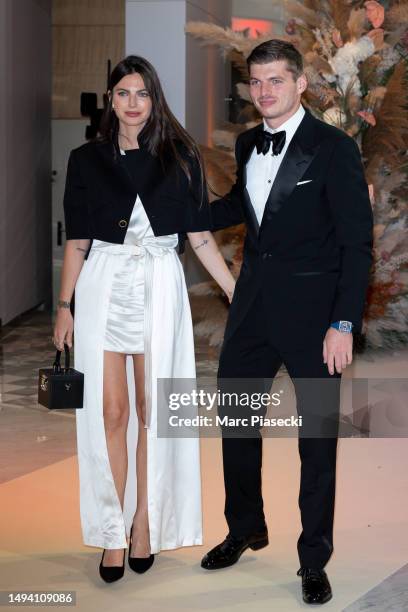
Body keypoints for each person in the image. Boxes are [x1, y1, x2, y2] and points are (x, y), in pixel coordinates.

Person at [201, 40, 373, 605]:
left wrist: (343, 323)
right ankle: (246, 526)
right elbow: (239, 208)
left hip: (315, 320)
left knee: (317, 441)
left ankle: (312, 558)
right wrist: (175, 209)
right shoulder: (248, 141)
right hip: (251, 313)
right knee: (237, 427)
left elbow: (356, 244)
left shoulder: (334, 148)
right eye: (256, 82)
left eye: (276, 80)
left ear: (300, 84)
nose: (265, 91)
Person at [53, 55, 235, 583]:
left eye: (142, 93)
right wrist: (64, 308)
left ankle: (144, 523)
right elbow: (79, 241)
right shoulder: (86, 158)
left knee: (154, 411)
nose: (132, 103)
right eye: (123, 93)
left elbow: (199, 233)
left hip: (158, 285)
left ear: (154, 100)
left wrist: (233, 292)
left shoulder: (180, 156)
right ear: (111, 100)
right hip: (104, 286)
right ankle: (111, 532)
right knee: (110, 413)